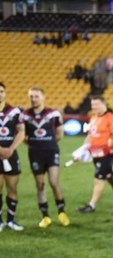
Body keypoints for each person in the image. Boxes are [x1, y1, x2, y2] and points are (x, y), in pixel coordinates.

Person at [20, 87, 69, 228]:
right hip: (35, 153)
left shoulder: (53, 114)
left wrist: (49, 143)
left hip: (51, 151)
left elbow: (60, 134)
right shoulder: (25, 116)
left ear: (43, 97)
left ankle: (62, 212)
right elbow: (22, 135)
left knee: (54, 181)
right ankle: (45, 216)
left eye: (36, 96)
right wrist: (34, 144)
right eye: (31, 96)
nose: (33, 99)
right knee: (40, 185)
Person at [77, 95, 113, 213]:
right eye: (93, 105)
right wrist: (83, 150)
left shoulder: (111, 118)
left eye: (97, 104)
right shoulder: (93, 118)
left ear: (104, 104)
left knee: (99, 179)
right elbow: (90, 136)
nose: (94, 107)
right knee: (109, 178)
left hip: (108, 154)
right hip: (96, 154)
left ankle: (91, 205)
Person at [0, 82, 26, 232]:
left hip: (10, 155)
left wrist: (10, 149)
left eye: (2, 91)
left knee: (12, 188)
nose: (0, 94)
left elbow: (21, 132)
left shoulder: (14, 111)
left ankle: (11, 220)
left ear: (5, 93)